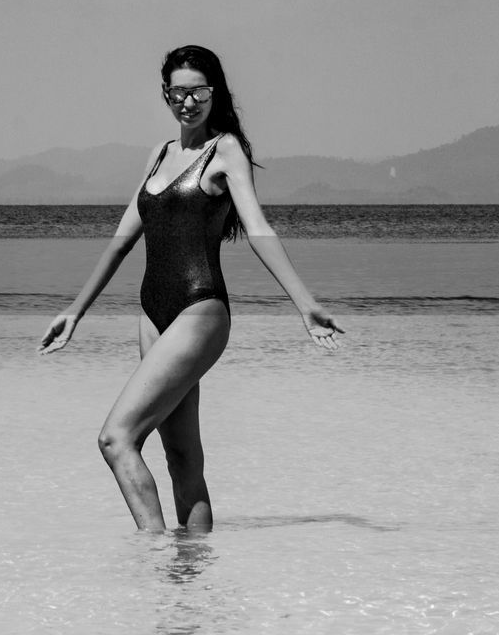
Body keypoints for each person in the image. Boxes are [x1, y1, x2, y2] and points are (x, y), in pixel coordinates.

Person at [38, 45, 344, 533]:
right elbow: (120, 242)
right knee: (181, 456)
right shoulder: (159, 155)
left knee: (116, 439)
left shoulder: (224, 151)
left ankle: (154, 557)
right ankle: (192, 578)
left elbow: (258, 227)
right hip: (152, 313)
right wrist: (75, 312)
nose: (188, 101)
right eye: (178, 92)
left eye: (198, 91)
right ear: (165, 95)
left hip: (200, 310)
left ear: (215, 92)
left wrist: (305, 304)